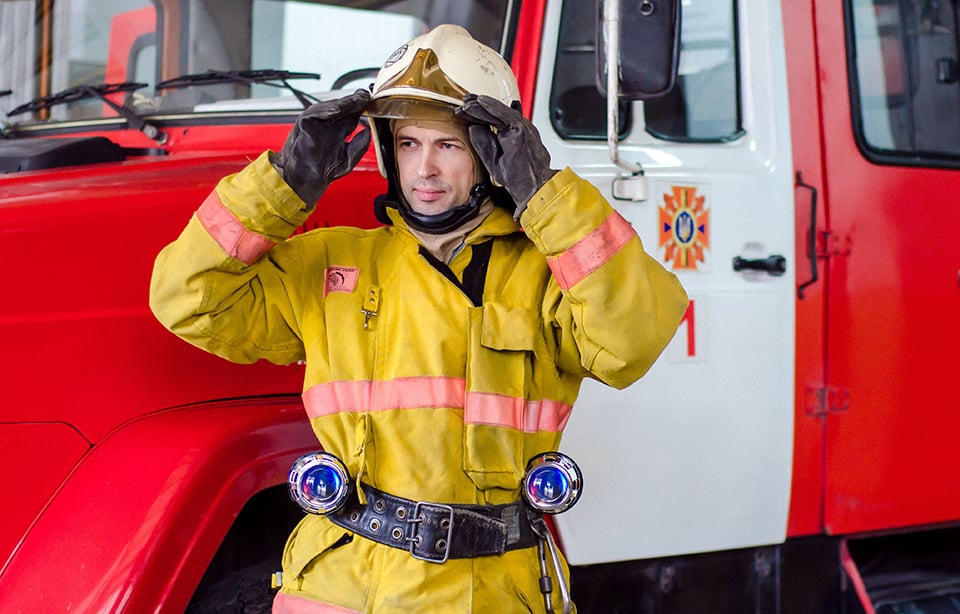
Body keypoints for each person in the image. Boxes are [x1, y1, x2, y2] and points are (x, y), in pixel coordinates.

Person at [150, 24, 688, 614]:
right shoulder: (333, 261)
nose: (425, 169)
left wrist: (550, 200)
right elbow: (187, 298)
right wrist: (281, 183)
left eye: (448, 146)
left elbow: (632, 339)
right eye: (409, 144)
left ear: (493, 157)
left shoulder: (545, 273)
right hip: (340, 584)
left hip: (491, 589)